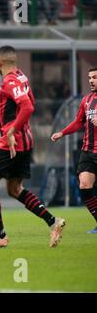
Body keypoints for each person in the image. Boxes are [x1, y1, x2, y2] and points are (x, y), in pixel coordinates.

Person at [0, 46, 65, 249]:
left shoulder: (9, 81)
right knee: (15, 189)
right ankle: (54, 222)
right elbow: (29, 102)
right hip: (25, 142)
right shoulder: (22, 77)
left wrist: (11, 131)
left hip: (11, 143)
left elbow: (27, 106)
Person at [51, 67, 97, 234]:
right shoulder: (86, 100)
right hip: (88, 150)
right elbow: (79, 122)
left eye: (95, 77)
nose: (91, 80)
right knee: (84, 185)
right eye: (90, 77)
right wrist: (62, 132)